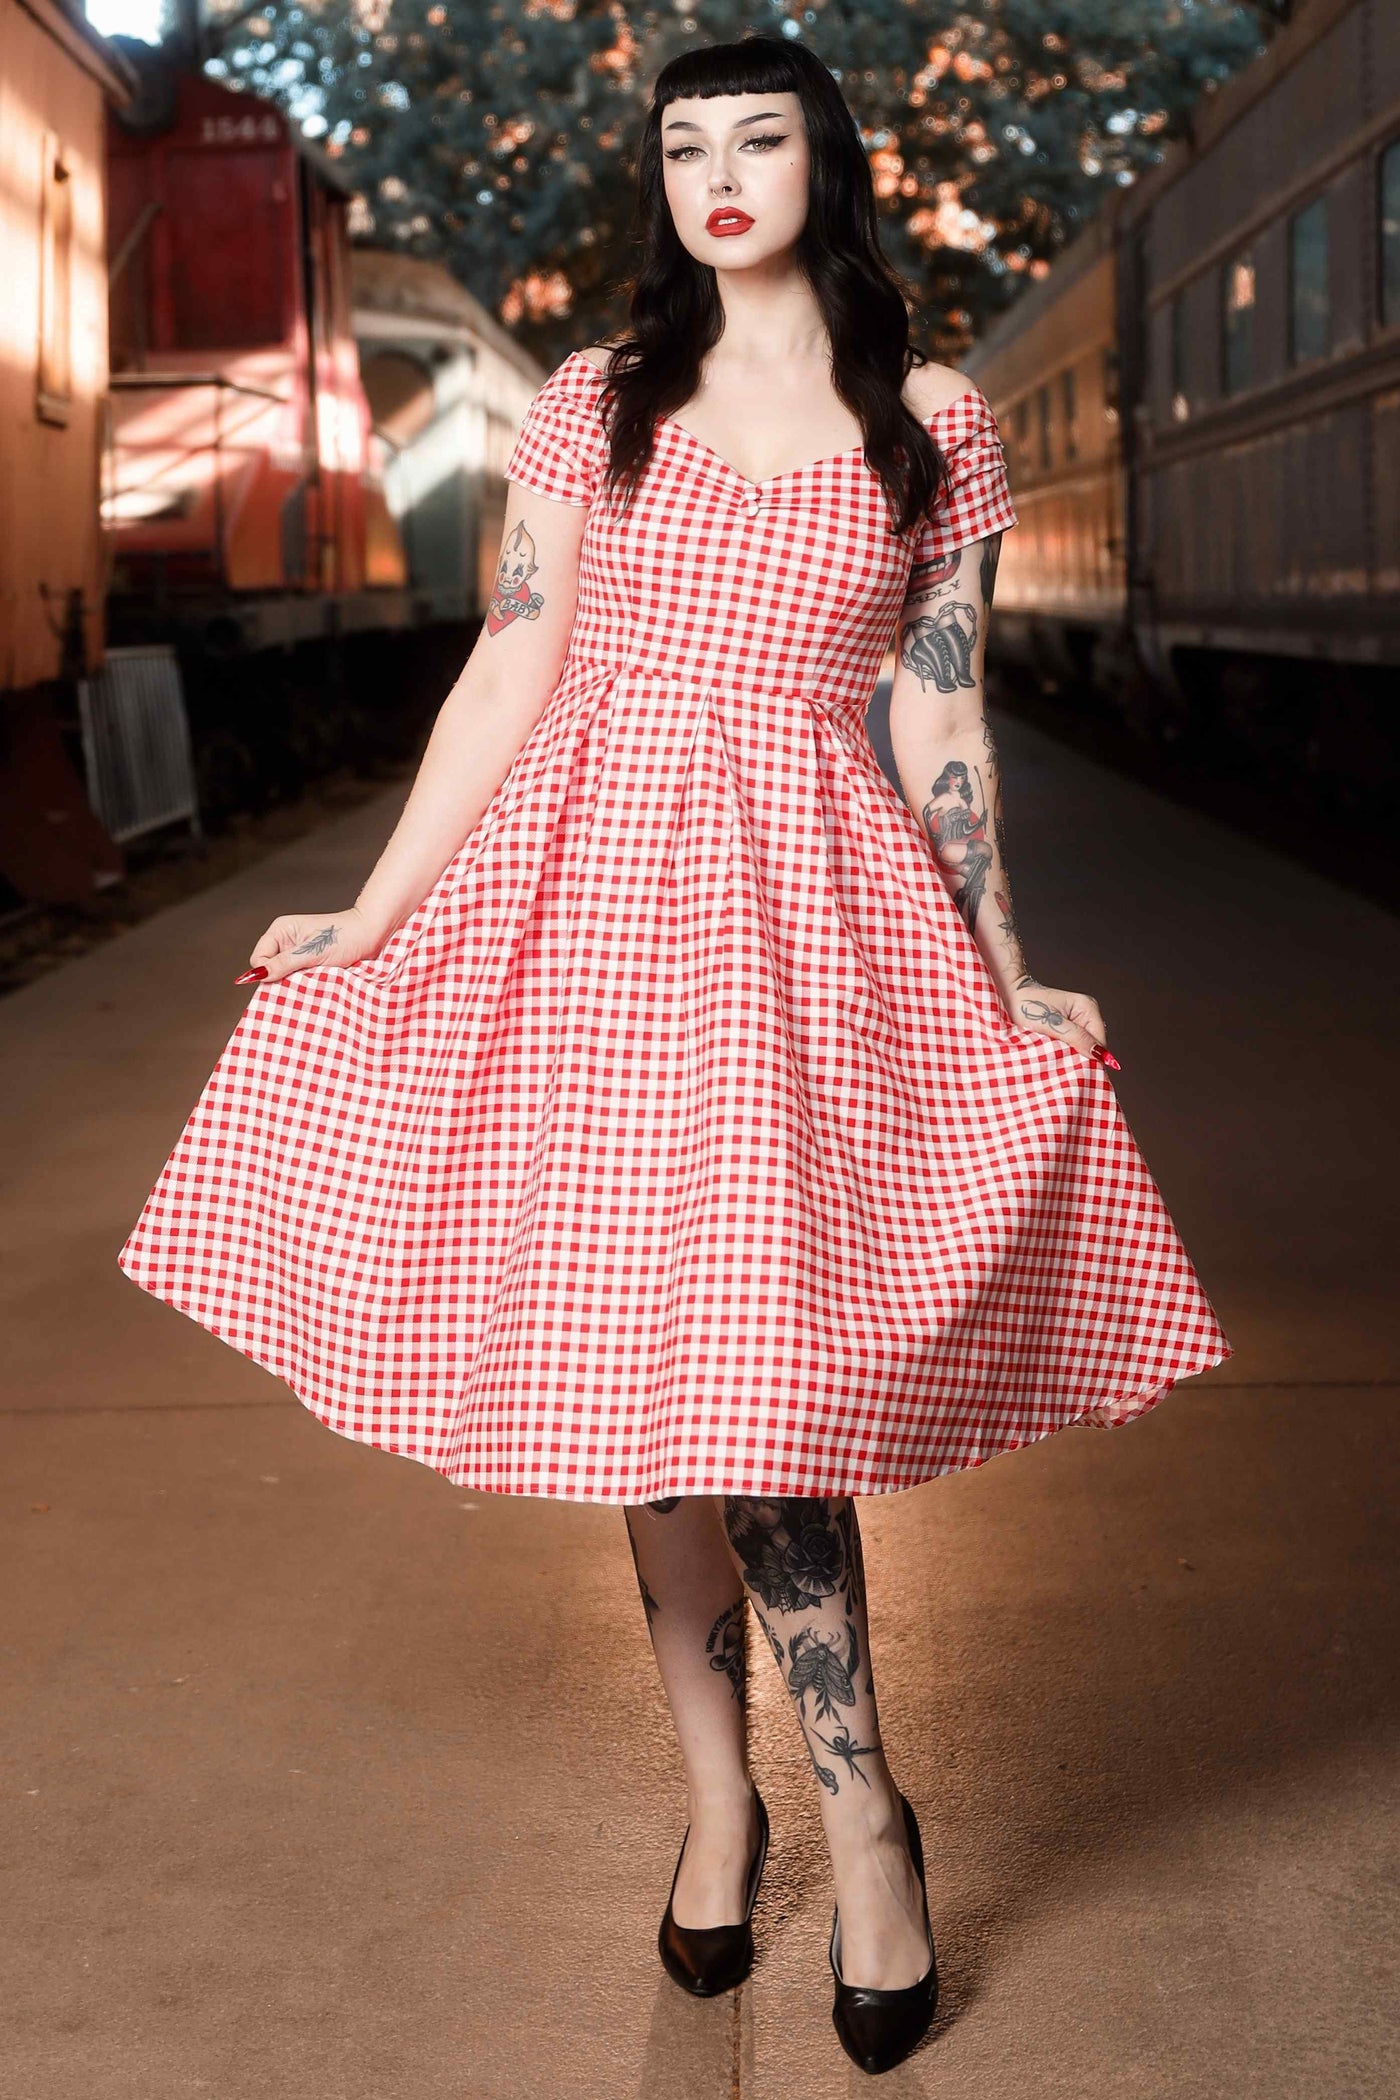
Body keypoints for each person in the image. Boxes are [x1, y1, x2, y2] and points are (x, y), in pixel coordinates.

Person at [116, 33, 1232, 2079]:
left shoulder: (933, 419)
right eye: (683, 144)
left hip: (808, 928)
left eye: (762, 137)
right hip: (597, 914)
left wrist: (1003, 954)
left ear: (831, 163)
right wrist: (369, 915)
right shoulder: (592, 399)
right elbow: (513, 663)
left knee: (765, 1387)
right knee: (647, 1397)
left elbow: (945, 714)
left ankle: (865, 1812)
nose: (718, 175)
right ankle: (721, 1801)